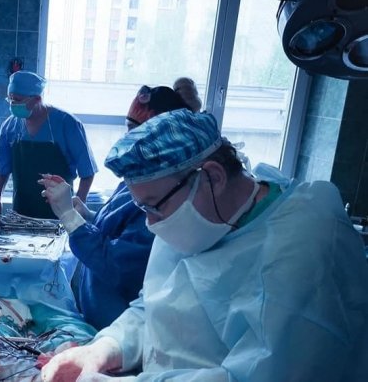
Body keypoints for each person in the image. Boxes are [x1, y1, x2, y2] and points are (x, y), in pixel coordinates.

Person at [39, 108, 368, 381]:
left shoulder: (305, 248)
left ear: (213, 176)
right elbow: (154, 306)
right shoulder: (198, 216)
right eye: (143, 208)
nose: (151, 223)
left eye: (154, 206)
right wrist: (105, 348)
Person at [40, 86, 190, 330]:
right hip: (97, 314)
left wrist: (69, 217)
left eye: (135, 130)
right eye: (127, 128)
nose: (128, 139)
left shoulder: (161, 196)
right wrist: (86, 214)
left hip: (119, 324)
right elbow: (115, 227)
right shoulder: (136, 177)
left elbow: (117, 265)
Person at [0, 71, 98, 218]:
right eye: (10, 99)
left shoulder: (67, 124)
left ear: (37, 99)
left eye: (17, 100)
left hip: (61, 213)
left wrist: (77, 207)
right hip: (21, 213)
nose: (12, 104)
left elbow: (87, 172)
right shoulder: (9, 127)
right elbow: (2, 169)